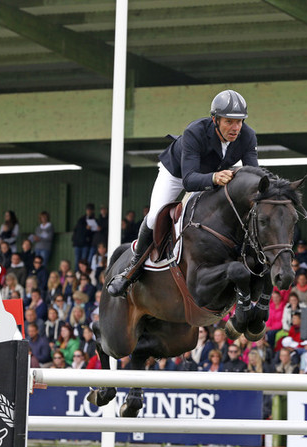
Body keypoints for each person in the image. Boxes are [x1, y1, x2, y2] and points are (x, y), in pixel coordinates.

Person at [108, 89, 258, 296]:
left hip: (214, 174)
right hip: (177, 174)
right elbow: (189, 181)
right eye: (229, 122)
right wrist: (214, 178)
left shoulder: (247, 136)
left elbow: (253, 174)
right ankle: (131, 270)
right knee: (154, 216)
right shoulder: (194, 132)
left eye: (239, 121)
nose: (235, 128)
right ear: (215, 119)